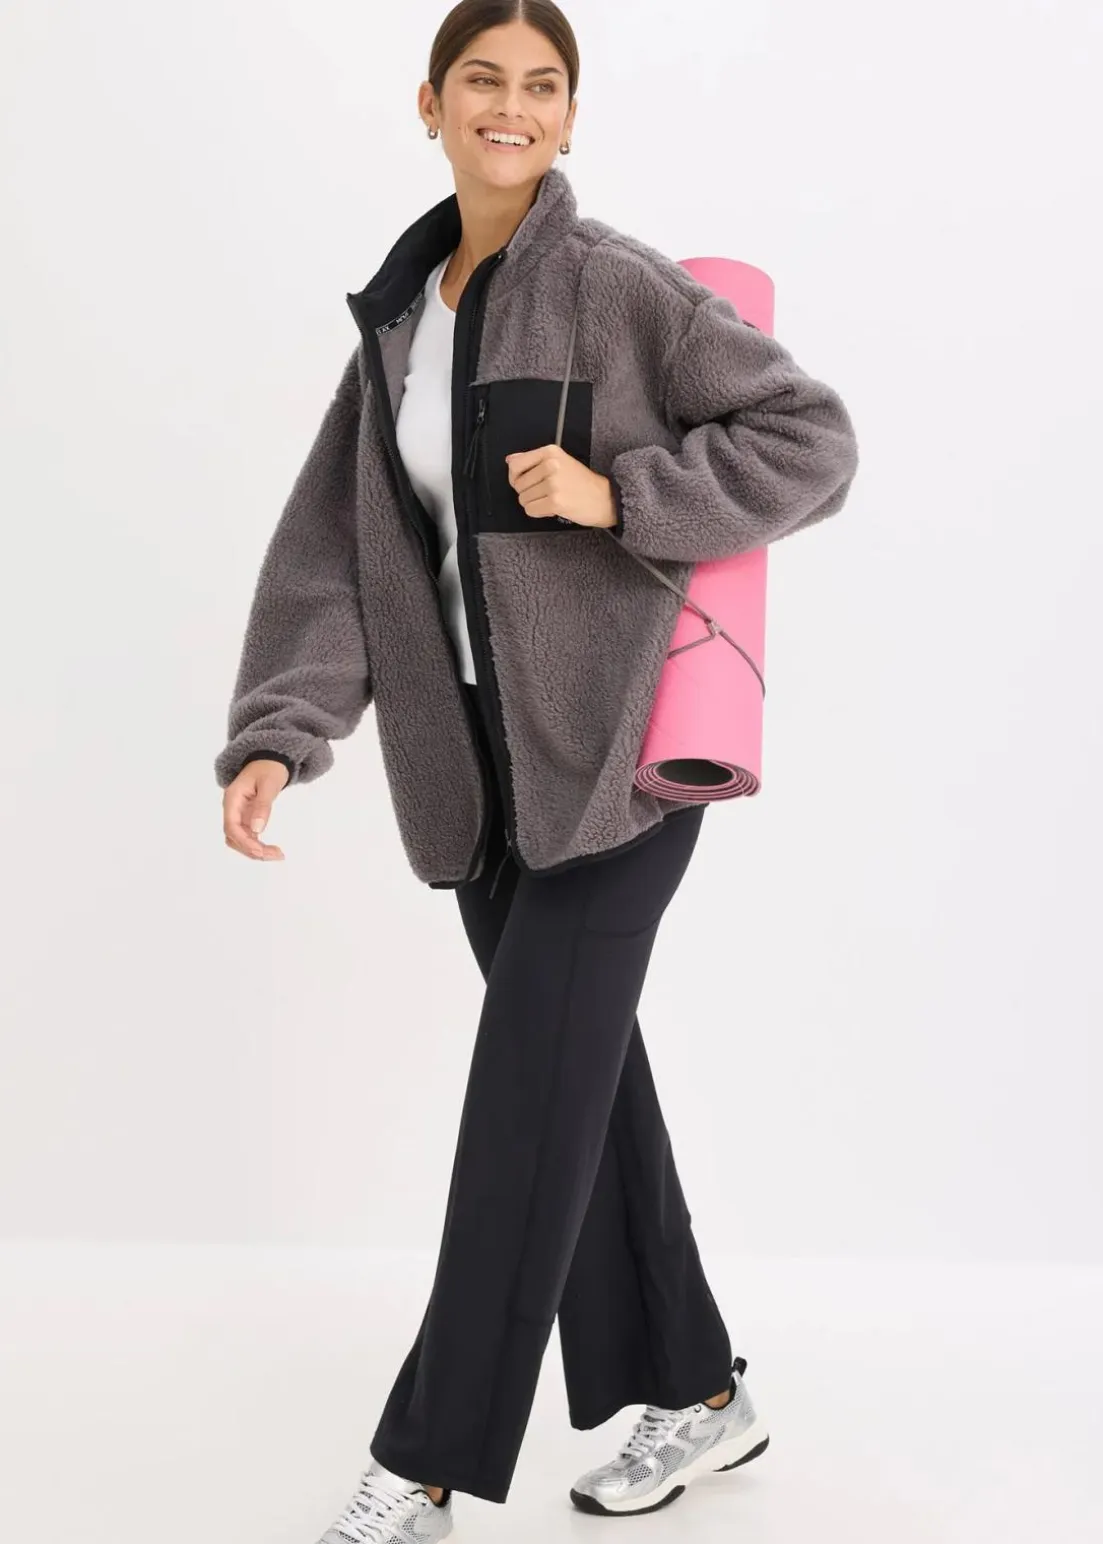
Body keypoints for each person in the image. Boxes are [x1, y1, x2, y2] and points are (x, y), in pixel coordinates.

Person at [215, 3, 859, 1538]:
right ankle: (698, 1392)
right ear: (431, 104)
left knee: (521, 1112)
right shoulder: (399, 324)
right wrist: (281, 731)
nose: (510, 106)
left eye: (541, 86)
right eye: (483, 81)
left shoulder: (613, 285)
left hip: (615, 773)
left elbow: (808, 437)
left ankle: (422, 1467)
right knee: (581, 1094)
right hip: (477, 779)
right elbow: (335, 552)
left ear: (568, 117)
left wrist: (618, 492)